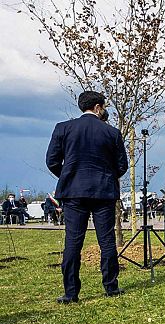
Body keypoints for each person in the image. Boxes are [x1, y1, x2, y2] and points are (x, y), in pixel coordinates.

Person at [46, 91, 128, 304]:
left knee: (73, 241)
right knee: (107, 240)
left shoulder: (63, 128)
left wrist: (69, 176)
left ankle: (71, 292)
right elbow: (122, 165)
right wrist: (107, 177)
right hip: (103, 192)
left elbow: (52, 160)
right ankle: (111, 287)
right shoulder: (112, 132)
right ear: (99, 107)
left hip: (73, 192)